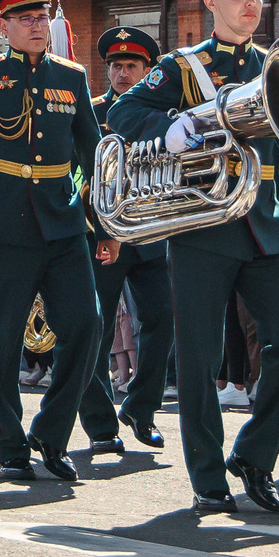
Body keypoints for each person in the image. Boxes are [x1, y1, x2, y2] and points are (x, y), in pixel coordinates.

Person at [109, 0, 279, 515]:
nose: (250, 5)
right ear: (210, 0)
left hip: (264, 227)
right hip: (202, 230)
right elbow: (121, 115)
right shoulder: (182, 66)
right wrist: (173, 124)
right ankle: (208, 479)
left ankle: (255, 455)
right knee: (200, 359)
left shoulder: (277, 65)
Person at [0, 0, 112, 482]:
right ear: (4, 26)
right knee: (0, 341)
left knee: (86, 326)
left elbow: (93, 152)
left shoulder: (71, 76)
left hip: (65, 223)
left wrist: (107, 222)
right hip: (3, 225)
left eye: (42, 16)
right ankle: (8, 441)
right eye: (25, 18)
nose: (36, 24)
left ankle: (50, 432)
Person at [81, 25, 171, 455]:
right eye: (115, 65)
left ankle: (141, 409)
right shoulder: (94, 111)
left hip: (153, 233)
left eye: (131, 65)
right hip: (105, 233)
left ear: (148, 71)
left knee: (162, 321)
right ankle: (100, 423)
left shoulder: (166, 114)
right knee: (95, 329)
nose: (121, 73)